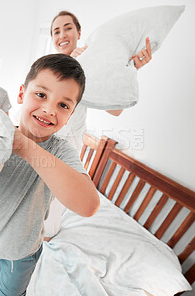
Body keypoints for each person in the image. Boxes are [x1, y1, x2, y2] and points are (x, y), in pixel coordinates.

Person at [0, 54, 100, 296]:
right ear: (21, 94)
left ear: (70, 115)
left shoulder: (61, 151)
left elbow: (89, 205)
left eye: (63, 105)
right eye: (41, 95)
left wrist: (23, 146)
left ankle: (4, 285)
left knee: (11, 291)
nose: (49, 109)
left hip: (20, 251)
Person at [43, 10, 152, 241]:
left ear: (79, 32)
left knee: (57, 196)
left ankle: (47, 236)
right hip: (43, 139)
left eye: (68, 28)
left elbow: (115, 108)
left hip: (68, 145)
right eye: (56, 31)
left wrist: (132, 70)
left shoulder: (89, 65)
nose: (62, 34)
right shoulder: (47, 66)